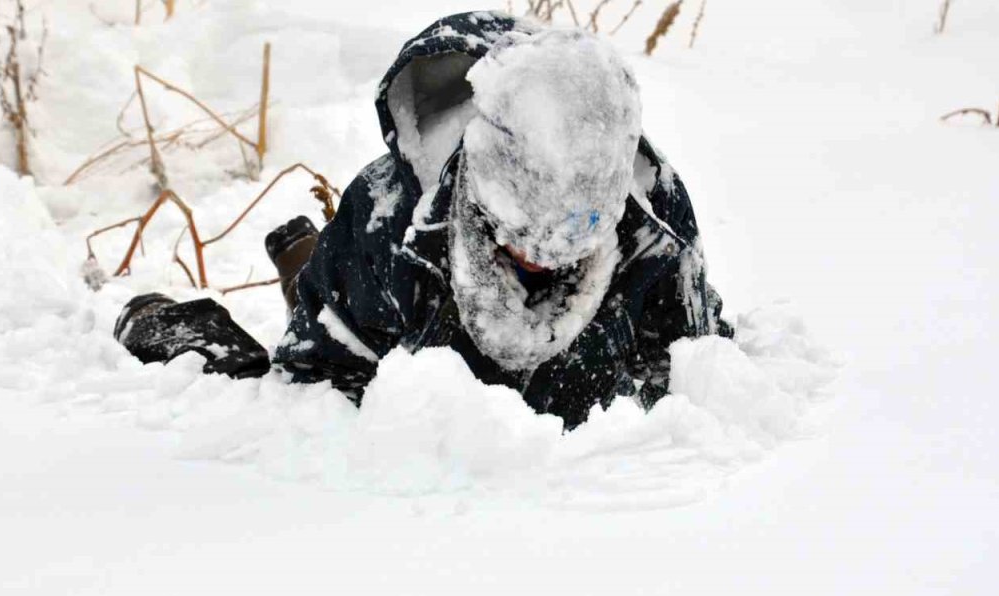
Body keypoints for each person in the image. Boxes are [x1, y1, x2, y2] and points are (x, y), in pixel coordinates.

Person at [115, 12, 731, 429]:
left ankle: (306, 254)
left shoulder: (655, 216)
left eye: (574, 236)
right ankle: (286, 270)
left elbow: (697, 359)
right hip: (413, 378)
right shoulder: (387, 221)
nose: (542, 258)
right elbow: (316, 383)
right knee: (321, 324)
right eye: (523, 232)